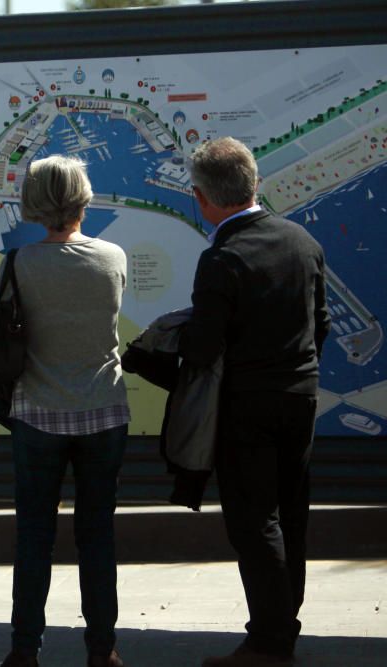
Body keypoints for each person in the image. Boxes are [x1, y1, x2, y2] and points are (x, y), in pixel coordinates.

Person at [180, 137, 329, 667]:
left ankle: (269, 641)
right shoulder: (302, 241)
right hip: (301, 397)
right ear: (255, 183)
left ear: (202, 198)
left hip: (246, 406)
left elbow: (202, 349)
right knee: (292, 514)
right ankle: (282, 628)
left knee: (253, 520)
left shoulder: (221, 258)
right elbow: (322, 324)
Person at [0, 155, 129, 667]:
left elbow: (0, 329)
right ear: (82, 198)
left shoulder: (18, 264)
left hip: (37, 415)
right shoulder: (113, 257)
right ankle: (103, 650)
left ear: (35, 203)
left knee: (34, 535)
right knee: (97, 535)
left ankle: (24, 650)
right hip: (103, 411)